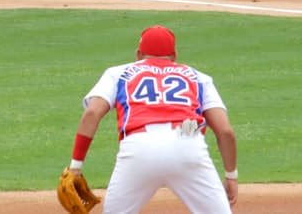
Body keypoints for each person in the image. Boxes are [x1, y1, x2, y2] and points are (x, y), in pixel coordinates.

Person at [67, 25, 237, 212]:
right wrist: (231, 175)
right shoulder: (199, 77)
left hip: (139, 148)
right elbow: (225, 131)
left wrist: (75, 166)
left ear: (138, 54)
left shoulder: (117, 73)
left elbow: (92, 113)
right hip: (188, 144)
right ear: (174, 55)